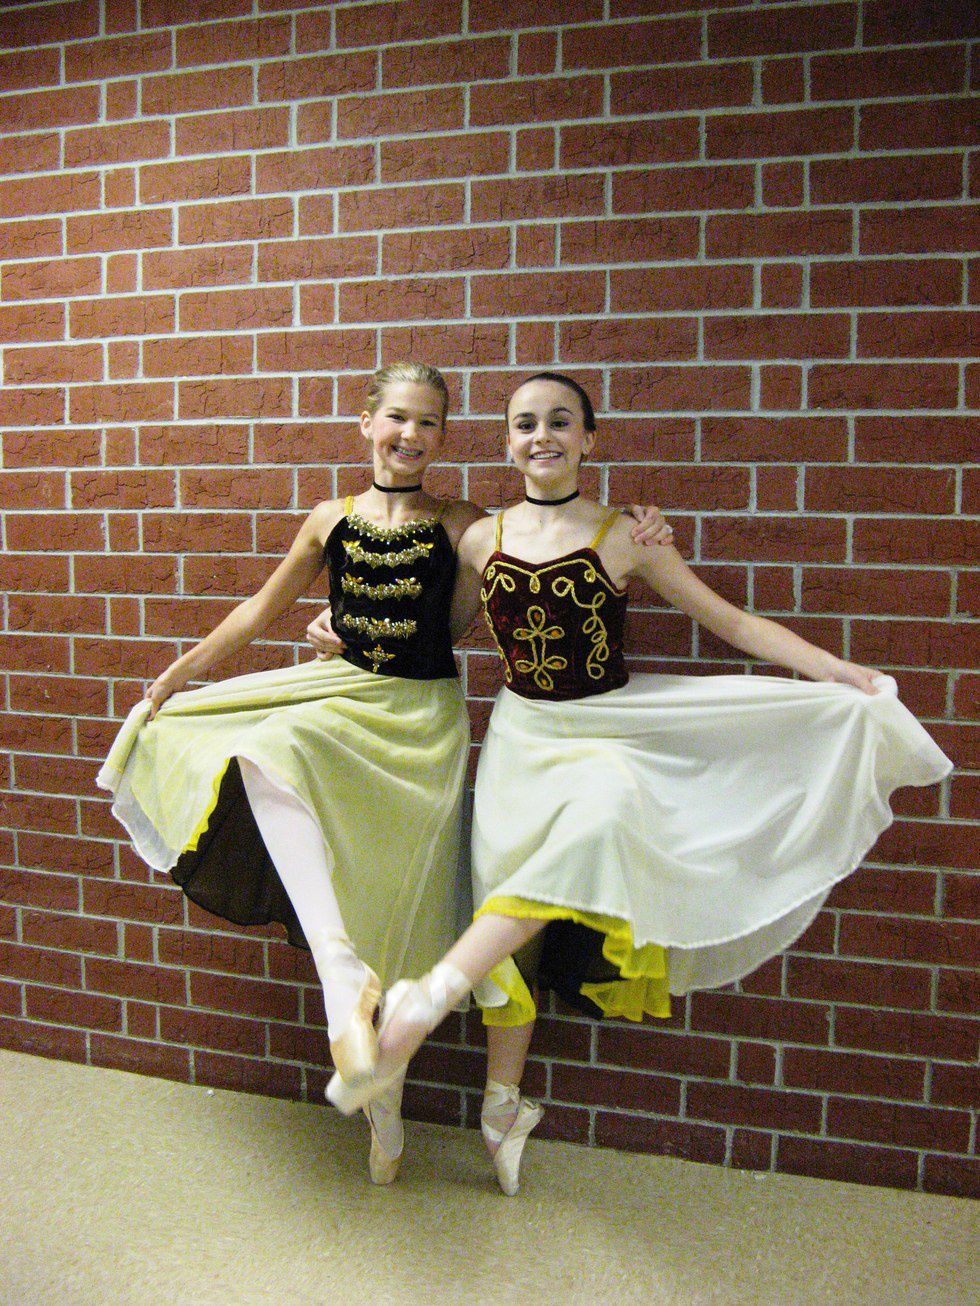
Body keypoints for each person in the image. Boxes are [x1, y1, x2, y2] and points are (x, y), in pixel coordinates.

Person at [326, 371, 953, 1199]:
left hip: (605, 735)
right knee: (509, 930)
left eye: (560, 422)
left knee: (602, 819)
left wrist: (835, 670)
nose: (542, 436)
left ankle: (426, 998)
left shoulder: (628, 535)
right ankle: (503, 1107)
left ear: (590, 438)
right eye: (524, 424)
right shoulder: (479, 539)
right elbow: (432, 635)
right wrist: (349, 632)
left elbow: (730, 621)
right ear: (506, 442)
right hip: (519, 743)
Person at [98, 362, 671, 1186]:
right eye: (398, 417)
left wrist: (640, 530)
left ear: (445, 436)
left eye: (429, 422)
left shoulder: (463, 524)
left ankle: (391, 1069)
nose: (411, 434)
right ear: (366, 421)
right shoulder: (328, 519)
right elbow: (257, 610)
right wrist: (178, 674)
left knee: (406, 910)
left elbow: (485, 606)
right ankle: (351, 1002)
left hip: (422, 729)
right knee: (268, 756)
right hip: (347, 707)